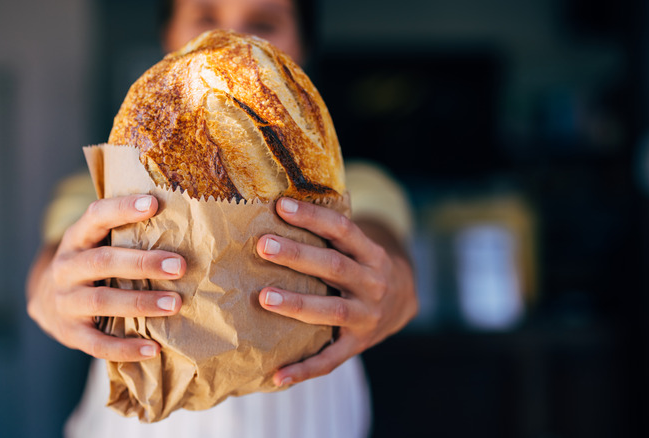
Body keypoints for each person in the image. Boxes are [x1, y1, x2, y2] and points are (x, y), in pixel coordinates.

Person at [26, 0, 418, 436]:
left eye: (263, 24)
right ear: (168, 40)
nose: (230, 40)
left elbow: (391, 263)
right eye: (205, 18)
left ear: (302, 49)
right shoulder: (108, 183)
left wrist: (392, 290)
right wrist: (49, 293)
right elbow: (52, 265)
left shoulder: (353, 186)